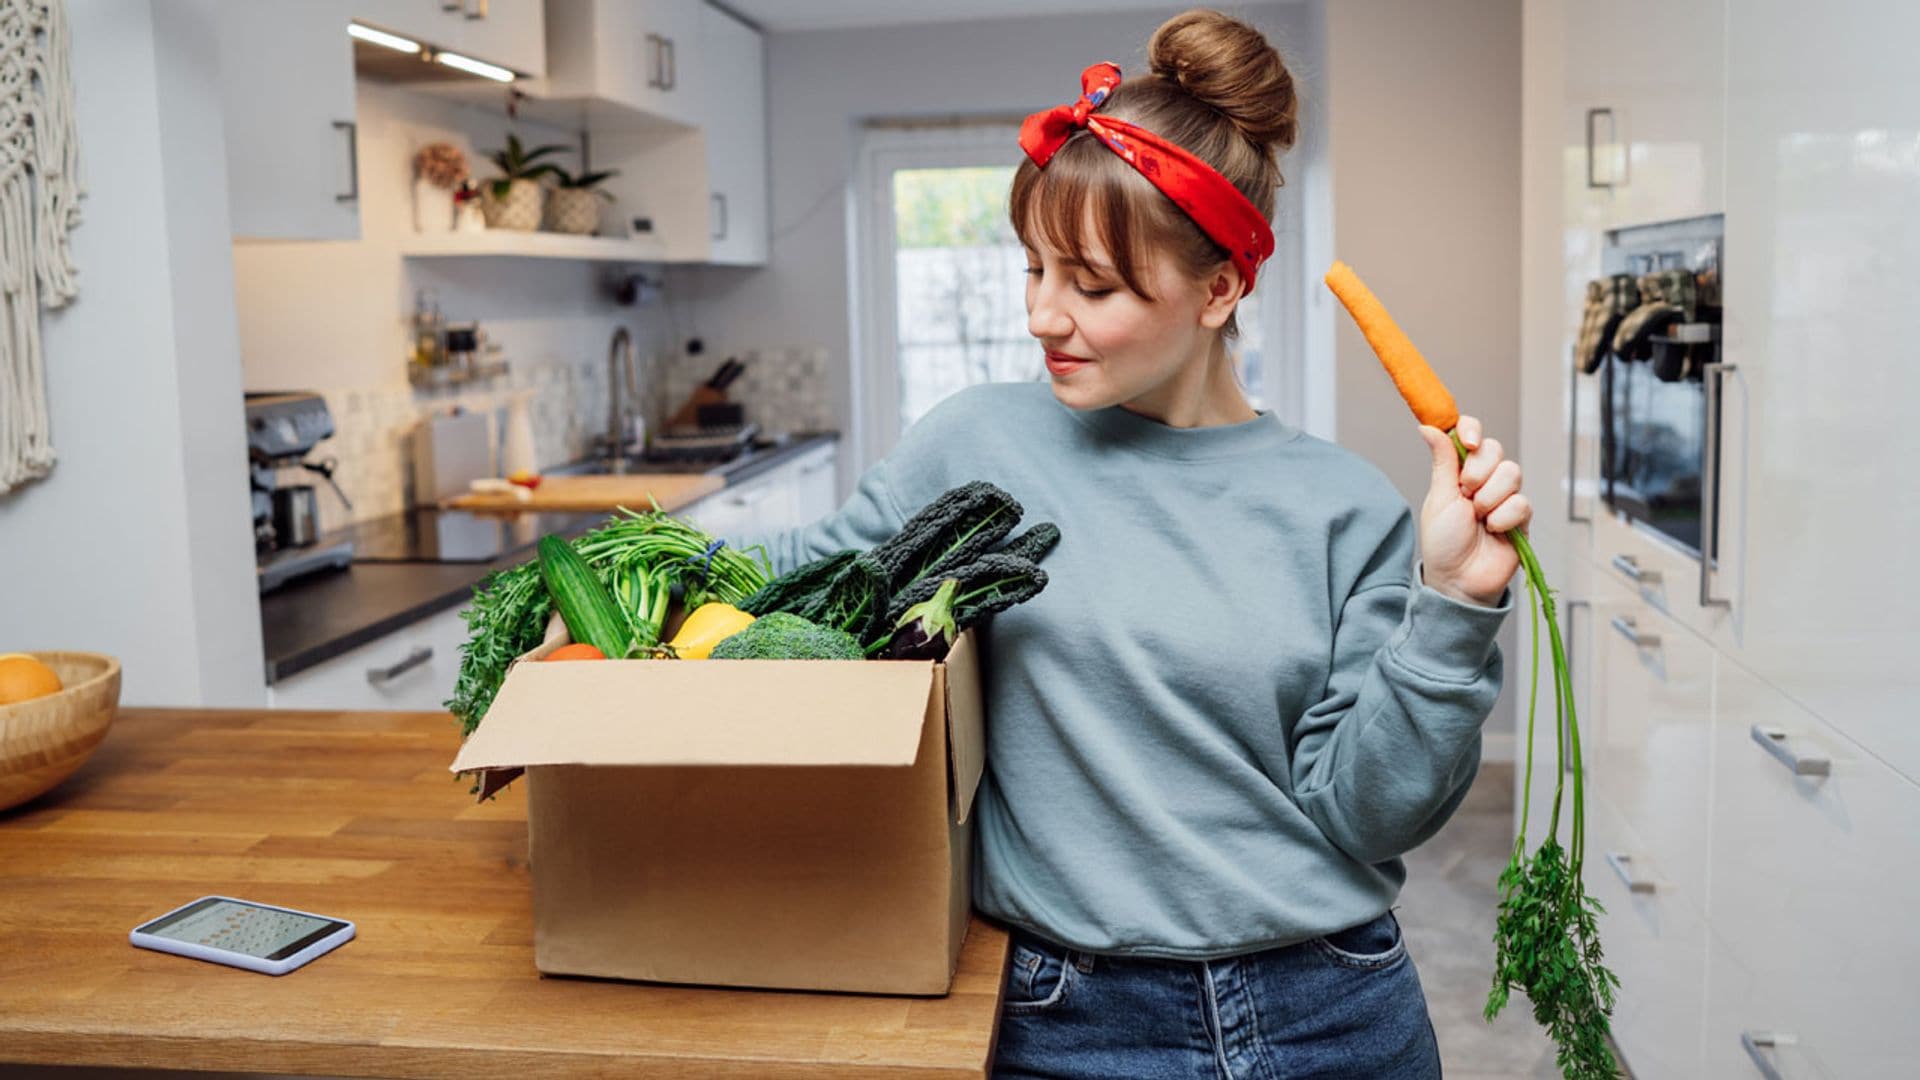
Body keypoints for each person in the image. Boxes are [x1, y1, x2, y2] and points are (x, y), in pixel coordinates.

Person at [732, 9, 1530, 1078]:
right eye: (1035, 269)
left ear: (1220, 289)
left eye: (1093, 286)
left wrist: (1455, 602)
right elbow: (813, 578)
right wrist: (621, 579)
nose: (1044, 317)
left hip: (1332, 1009)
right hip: (1069, 1020)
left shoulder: (1346, 508)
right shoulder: (982, 446)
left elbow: (1369, 814)